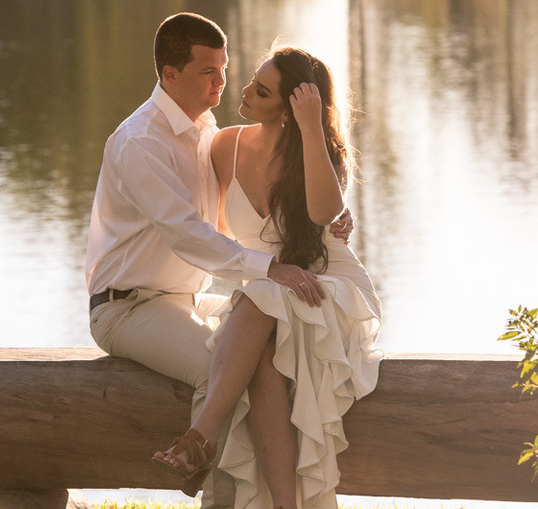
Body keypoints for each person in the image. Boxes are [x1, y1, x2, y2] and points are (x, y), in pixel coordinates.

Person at [85, 13, 346, 508]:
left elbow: (245, 213)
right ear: (170, 74)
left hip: (184, 299)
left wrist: (332, 219)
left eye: (224, 68)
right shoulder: (141, 141)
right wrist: (272, 269)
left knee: (260, 353)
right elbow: (187, 234)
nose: (222, 82)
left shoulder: (205, 131)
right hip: (127, 307)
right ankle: (213, 485)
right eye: (208, 72)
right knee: (223, 369)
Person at [151, 46, 383, 509]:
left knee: (258, 297)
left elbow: (324, 212)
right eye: (252, 82)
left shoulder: (322, 153)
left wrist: (312, 128)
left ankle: (200, 437)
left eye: (261, 91)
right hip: (270, 290)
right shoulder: (225, 145)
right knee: (260, 353)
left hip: (325, 287)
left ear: (289, 109)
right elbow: (209, 228)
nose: (244, 92)